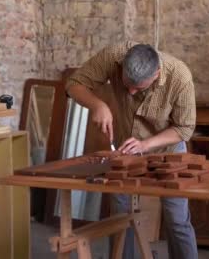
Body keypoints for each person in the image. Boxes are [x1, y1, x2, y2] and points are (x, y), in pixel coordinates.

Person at [66, 41, 198, 259]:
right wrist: (98, 105)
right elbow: (74, 83)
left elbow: (184, 128)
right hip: (126, 149)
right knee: (120, 215)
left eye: (139, 88)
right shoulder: (113, 55)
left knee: (176, 217)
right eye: (127, 84)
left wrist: (146, 144)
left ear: (156, 74)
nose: (131, 91)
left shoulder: (180, 76)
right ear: (123, 66)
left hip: (168, 148)